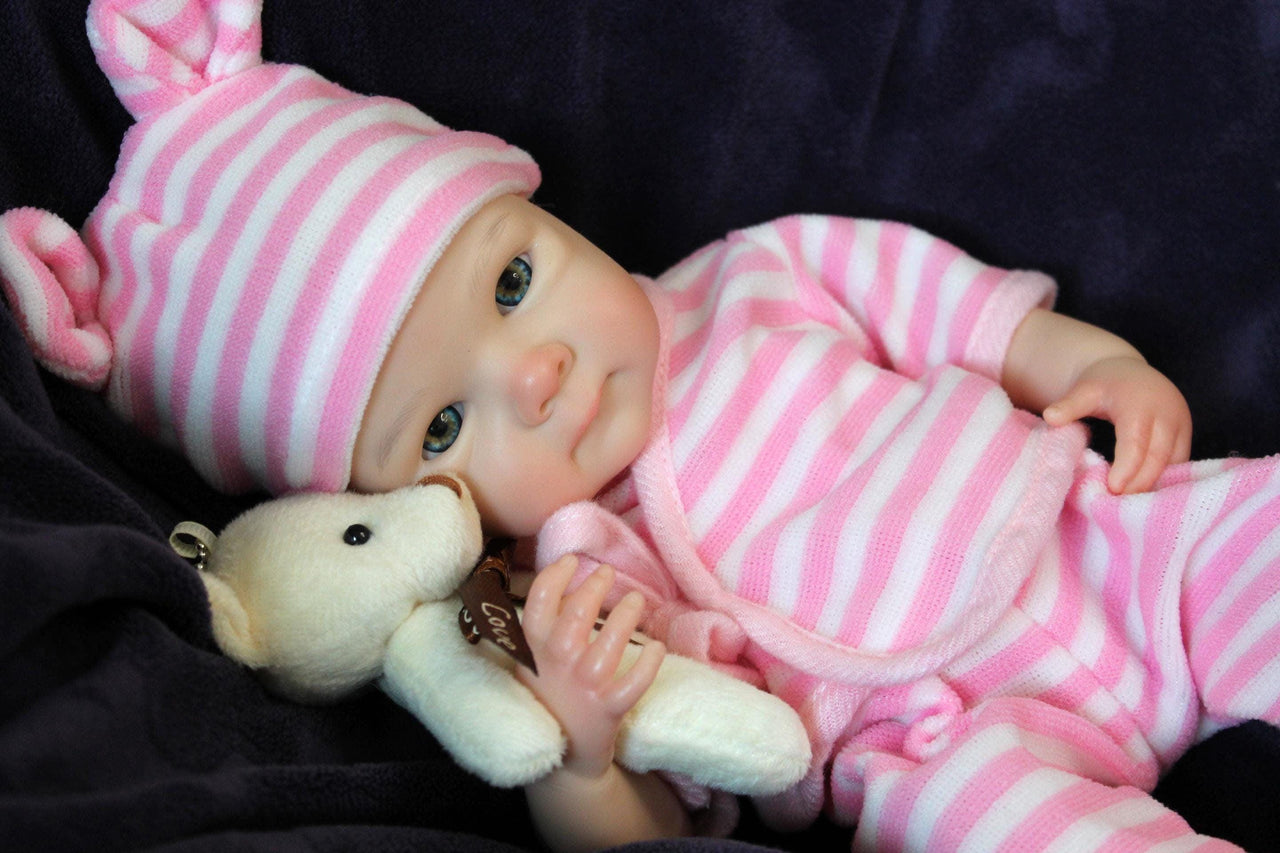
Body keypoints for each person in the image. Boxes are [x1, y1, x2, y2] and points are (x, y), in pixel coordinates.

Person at [1, 1, 1275, 851]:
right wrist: (584, 744)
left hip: (1095, 526)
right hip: (935, 743)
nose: (537, 373)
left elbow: (918, 290)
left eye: (512, 284)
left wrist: (1083, 360)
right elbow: (643, 823)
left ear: (543, 214)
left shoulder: (749, 278)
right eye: (445, 419)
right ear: (400, 506)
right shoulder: (566, 584)